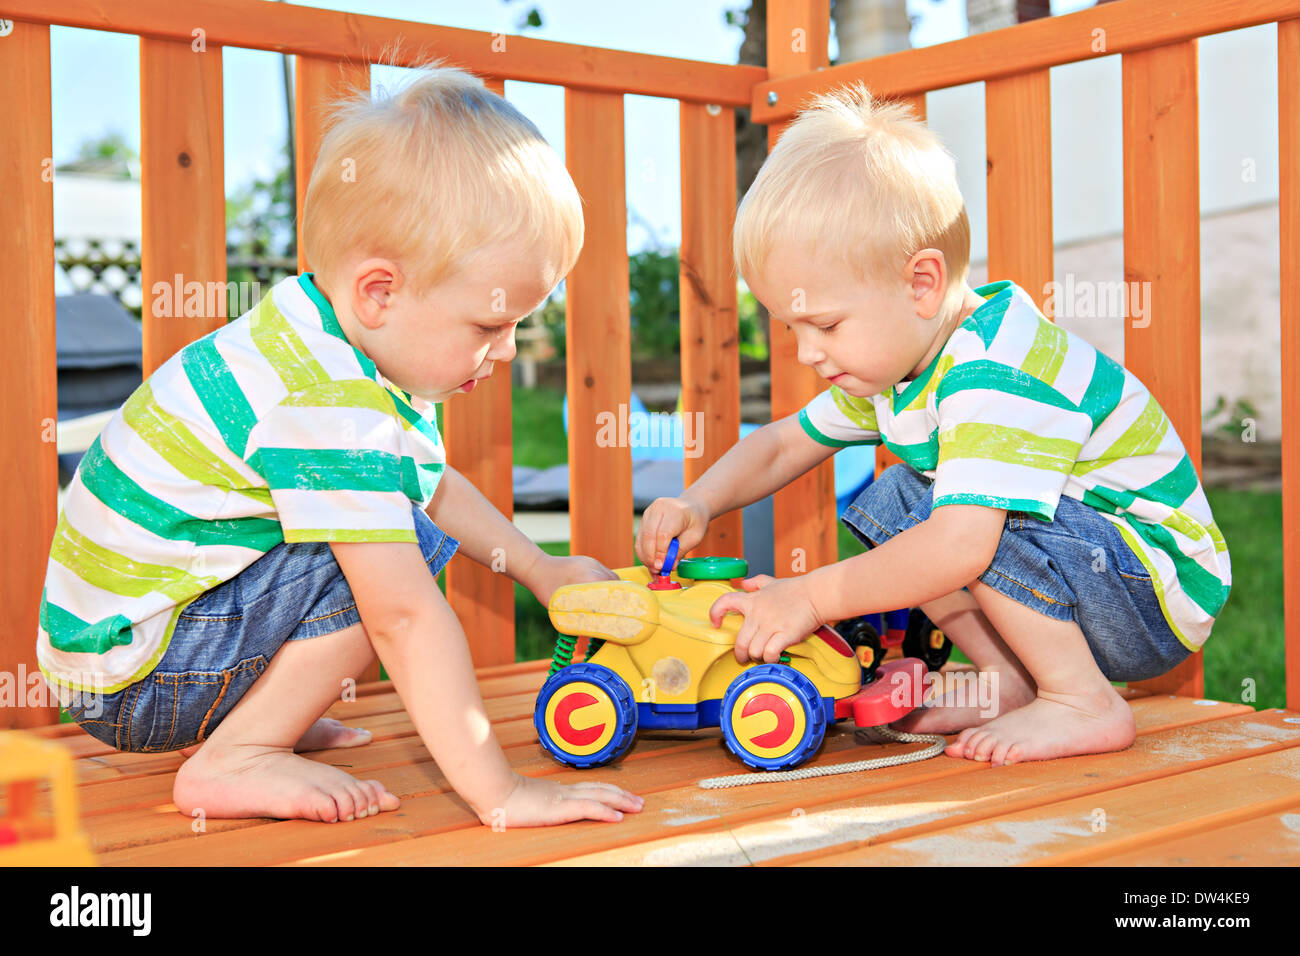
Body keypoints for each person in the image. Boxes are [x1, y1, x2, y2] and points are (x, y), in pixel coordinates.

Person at [38, 65, 643, 827]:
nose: (507, 351)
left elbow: (433, 481)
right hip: (141, 679)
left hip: (132, 653)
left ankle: (257, 716)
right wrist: (504, 791)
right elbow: (404, 617)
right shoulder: (325, 402)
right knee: (396, 551)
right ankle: (239, 753)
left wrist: (541, 568)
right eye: (489, 325)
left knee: (383, 517)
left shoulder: (312, 335)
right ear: (380, 292)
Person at [636, 84, 1231, 767]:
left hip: (1150, 585)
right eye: (791, 327)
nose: (806, 352)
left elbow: (960, 550)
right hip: (1091, 577)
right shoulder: (899, 365)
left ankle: (1080, 699)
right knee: (899, 499)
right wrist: (699, 500)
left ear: (921, 284)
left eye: (825, 324)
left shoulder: (996, 371)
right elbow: (782, 443)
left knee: (960, 523)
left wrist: (810, 595)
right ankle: (1012, 681)